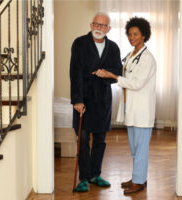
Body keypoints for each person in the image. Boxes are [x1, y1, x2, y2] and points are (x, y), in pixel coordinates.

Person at [93, 17, 156, 194]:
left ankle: (138, 180)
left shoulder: (147, 58)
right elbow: (122, 72)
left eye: (135, 34)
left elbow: (137, 83)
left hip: (142, 109)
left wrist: (112, 77)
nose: (131, 37)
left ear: (144, 35)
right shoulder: (131, 55)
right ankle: (138, 178)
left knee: (141, 148)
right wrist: (106, 71)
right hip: (131, 108)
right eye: (129, 34)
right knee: (135, 148)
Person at [70, 12, 123, 192]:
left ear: (108, 29)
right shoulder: (79, 43)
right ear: (91, 25)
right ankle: (84, 177)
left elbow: (118, 72)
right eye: (96, 24)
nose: (98, 28)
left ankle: (95, 174)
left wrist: (106, 74)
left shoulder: (113, 48)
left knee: (100, 139)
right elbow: (74, 72)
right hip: (83, 99)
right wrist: (77, 100)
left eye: (102, 25)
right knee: (83, 139)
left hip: (103, 99)